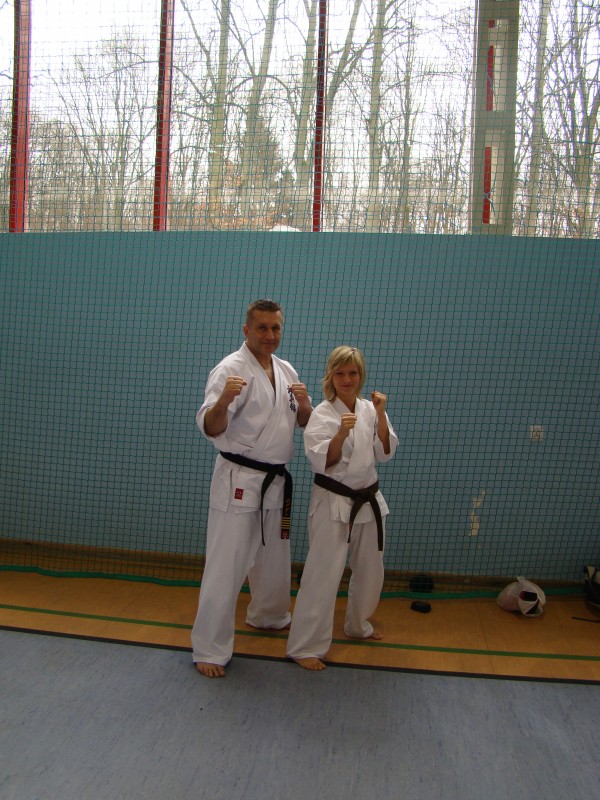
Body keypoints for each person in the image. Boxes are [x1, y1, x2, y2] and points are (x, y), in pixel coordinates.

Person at [191, 299, 312, 677]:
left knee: (273, 558)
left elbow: (303, 422)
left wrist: (305, 404)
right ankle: (209, 648)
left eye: (276, 328)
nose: (270, 335)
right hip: (239, 480)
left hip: (275, 481)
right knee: (226, 565)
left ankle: (269, 615)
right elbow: (211, 427)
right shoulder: (229, 369)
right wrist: (224, 399)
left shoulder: (286, 369)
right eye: (262, 328)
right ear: (247, 330)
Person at [286, 346, 398, 670]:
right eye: (340, 373)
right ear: (330, 376)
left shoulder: (371, 409)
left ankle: (358, 624)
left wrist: (380, 415)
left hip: (369, 500)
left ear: (360, 376)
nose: (347, 379)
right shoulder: (322, 414)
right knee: (323, 573)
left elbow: (385, 452)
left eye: (353, 373)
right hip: (333, 501)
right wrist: (341, 433)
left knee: (371, 569)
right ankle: (305, 645)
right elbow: (322, 461)